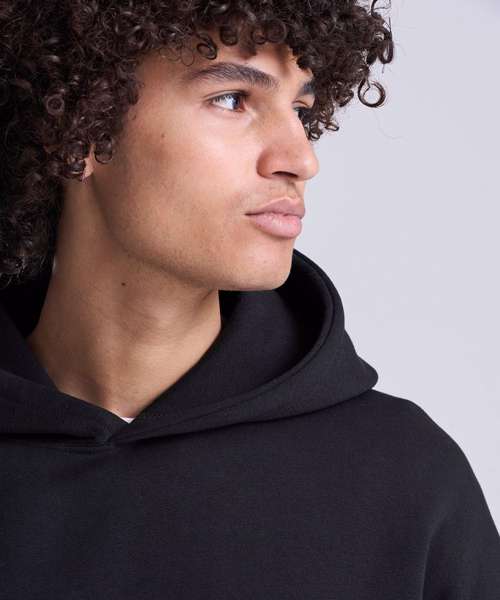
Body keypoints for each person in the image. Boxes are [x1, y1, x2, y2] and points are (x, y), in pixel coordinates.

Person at [0, 1, 499, 598]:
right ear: (77, 129)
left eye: (301, 110)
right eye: (232, 99)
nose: (301, 159)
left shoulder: (405, 477)